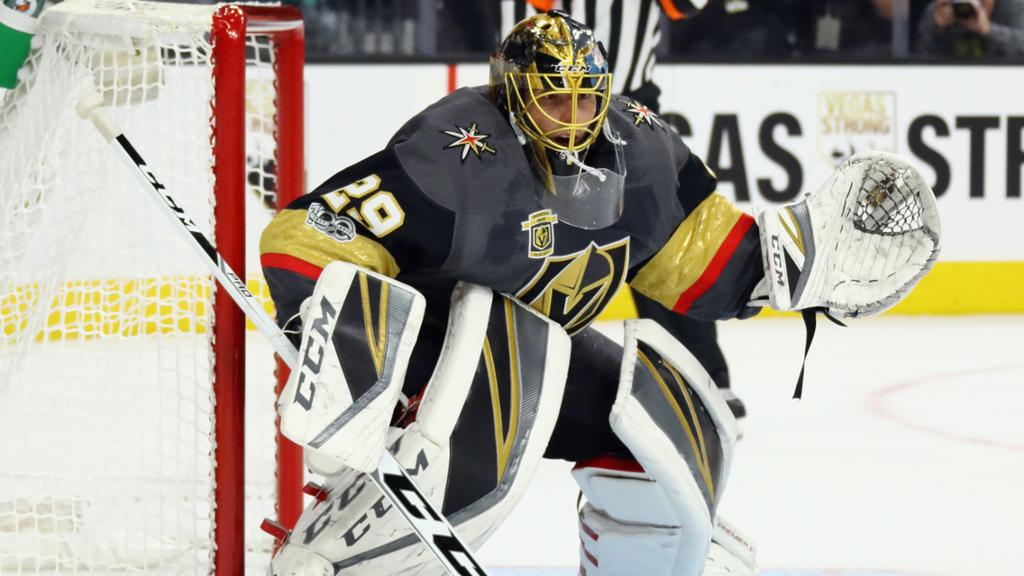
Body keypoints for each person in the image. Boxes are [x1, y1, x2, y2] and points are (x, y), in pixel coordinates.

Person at [259, 11, 939, 576]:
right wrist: (356, 364)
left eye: (588, 95)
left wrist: (794, 265)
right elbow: (310, 234)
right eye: (555, 97)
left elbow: (701, 261)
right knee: (460, 452)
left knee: (669, 443)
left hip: (537, 356)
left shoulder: (638, 149)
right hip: (440, 366)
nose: (576, 115)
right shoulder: (457, 152)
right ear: (515, 94)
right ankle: (331, 556)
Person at [499, 0, 752, 420]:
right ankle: (516, 376)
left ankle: (705, 376)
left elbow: (688, 6)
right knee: (523, 238)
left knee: (661, 236)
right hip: (538, 103)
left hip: (625, 108)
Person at [916, 0, 1024, 57]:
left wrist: (989, 30)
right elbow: (918, 60)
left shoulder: (1013, 6)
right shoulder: (941, 9)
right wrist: (937, 30)